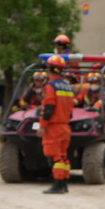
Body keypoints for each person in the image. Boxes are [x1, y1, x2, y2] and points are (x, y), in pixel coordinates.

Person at [38, 55, 74, 194]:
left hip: (54, 127)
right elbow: (70, 109)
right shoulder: (67, 86)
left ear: (50, 69)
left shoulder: (50, 86)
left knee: (55, 156)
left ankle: (58, 185)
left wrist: (42, 125)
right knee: (63, 156)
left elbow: (48, 108)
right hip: (65, 126)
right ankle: (64, 184)